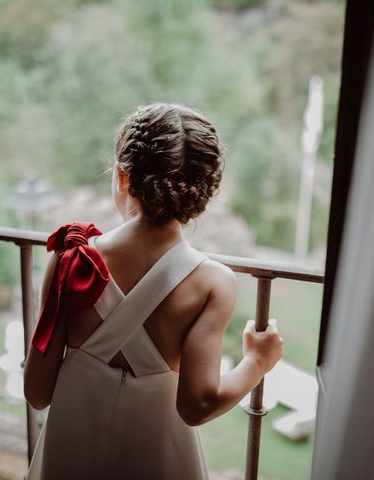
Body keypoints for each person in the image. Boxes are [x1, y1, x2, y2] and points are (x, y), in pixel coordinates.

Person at [23, 103, 283, 480]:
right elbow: (198, 404)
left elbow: (36, 391)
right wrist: (257, 362)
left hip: (71, 452)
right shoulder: (212, 283)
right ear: (203, 194)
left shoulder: (70, 259)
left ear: (122, 178)